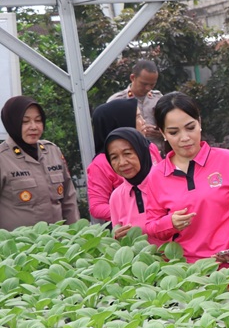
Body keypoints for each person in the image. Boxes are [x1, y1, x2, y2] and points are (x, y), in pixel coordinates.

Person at [142, 92, 229, 287]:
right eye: (174, 132)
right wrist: (170, 223)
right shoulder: (156, 175)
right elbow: (151, 227)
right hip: (189, 277)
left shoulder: (227, 160)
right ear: (162, 133)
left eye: (190, 127)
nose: (185, 138)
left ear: (200, 122)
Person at [0, 96, 80, 231]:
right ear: (12, 123)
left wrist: (75, 235)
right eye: (25, 122)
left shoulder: (52, 151)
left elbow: (68, 200)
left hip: (58, 245)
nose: (33, 127)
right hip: (19, 248)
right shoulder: (3, 158)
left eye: (38, 120)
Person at [87, 98, 161, 222]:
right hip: (128, 228)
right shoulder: (100, 164)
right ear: (123, 121)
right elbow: (97, 206)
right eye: (137, 117)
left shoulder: (150, 148)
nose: (143, 122)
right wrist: (129, 213)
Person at [104, 127, 164, 244]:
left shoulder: (167, 184)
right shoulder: (116, 197)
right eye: (114, 157)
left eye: (127, 153)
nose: (122, 162)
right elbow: (120, 242)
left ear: (141, 151)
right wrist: (118, 237)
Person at [108, 59, 164, 147]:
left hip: (159, 155)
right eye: (144, 84)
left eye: (152, 84)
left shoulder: (158, 98)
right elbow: (110, 133)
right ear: (133, 78)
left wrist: (162, 132)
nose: (148, 88)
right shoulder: (116, 101)